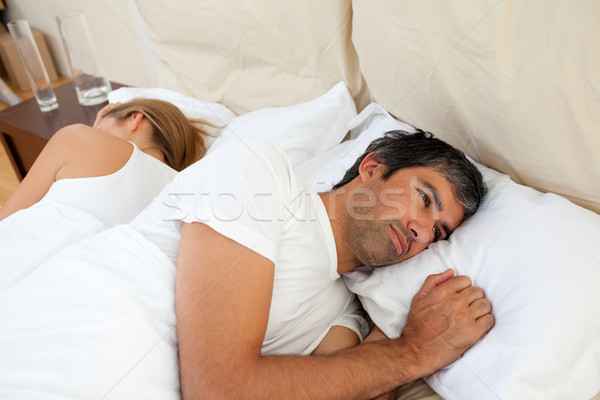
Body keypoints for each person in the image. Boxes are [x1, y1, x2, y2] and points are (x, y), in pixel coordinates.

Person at [0, 130, 493, 399]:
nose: (422, 233)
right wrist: (413, 351)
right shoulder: (260, 172)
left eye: (439, 233)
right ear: (373, 166)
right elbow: (218, 388)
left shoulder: (343, 322)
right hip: (48, 350)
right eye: (425, 200)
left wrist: (395, 341)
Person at [0, 98, 214, 292]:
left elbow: (7, 217)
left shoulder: (80, 138)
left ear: (136, 118)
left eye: (101, 126)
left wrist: (91, 133)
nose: (97, 131)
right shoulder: (184, 190)